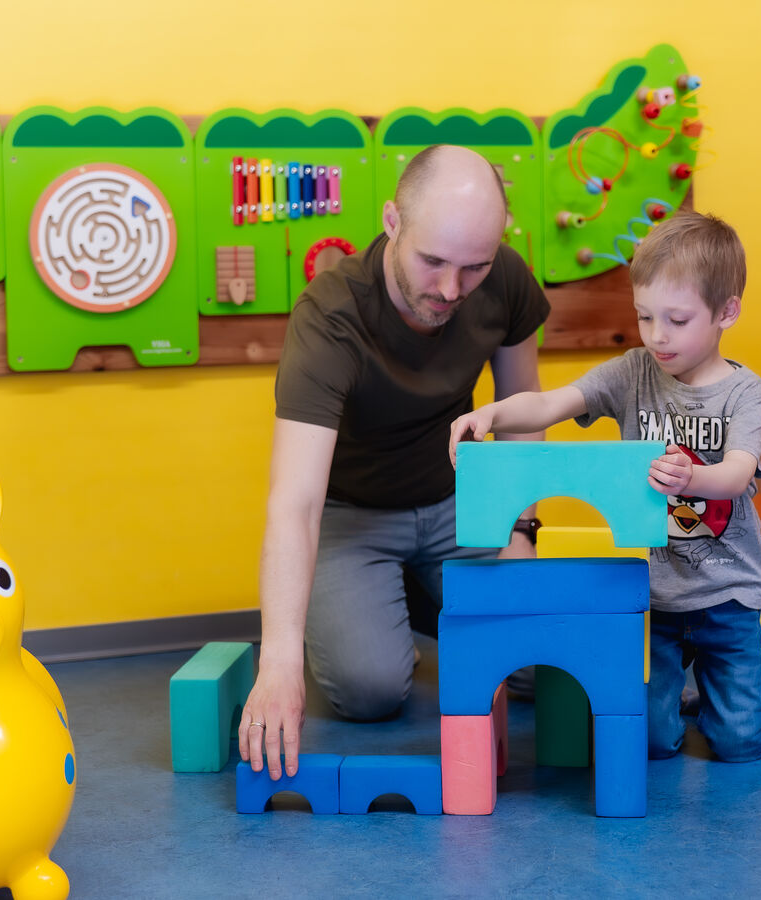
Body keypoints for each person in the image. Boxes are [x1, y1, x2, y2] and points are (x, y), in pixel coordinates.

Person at [240, 145, 550, 780]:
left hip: (457, 502)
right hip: (353, 519)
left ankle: (426, 596)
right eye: (432, 261)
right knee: (369, 692)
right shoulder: (331, 317)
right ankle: (394, 600)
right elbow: (294, 501)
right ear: (391, 222)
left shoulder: (507, 281)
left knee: (534, 665)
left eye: (474, 268)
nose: (449, 289)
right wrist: (278, 664)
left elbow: (523, 415)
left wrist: (521, 529)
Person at [448, 210, 761, 762]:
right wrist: (494, 412)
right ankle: (677, 699)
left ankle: (716, 697)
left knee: (740, 745)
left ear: (727, 312)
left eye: (676, 319)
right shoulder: (632, 373)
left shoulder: (745, 393)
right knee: (649, 743)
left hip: (728, 594)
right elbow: (551, 402)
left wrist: (693, 477)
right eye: (645, 317)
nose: (657, 335)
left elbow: (738, 473)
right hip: (654, 598)